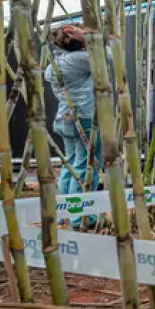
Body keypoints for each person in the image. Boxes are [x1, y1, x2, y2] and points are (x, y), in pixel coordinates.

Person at [45, 24, 103, 228]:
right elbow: (109, 56)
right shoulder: (79, 60)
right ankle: (82, 217)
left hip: (63, 119)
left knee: (69, 165)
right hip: (83, 120)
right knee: (86, 167)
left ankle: (64, 214)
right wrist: (88, 36)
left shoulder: (53, 65)